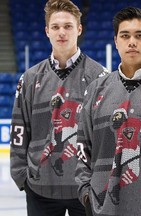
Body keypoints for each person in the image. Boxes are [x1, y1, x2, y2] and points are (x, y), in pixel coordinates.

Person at [10, 0, 109, 215]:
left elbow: (107, 135)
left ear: (79, 29)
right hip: (39, 189)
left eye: (68, 26)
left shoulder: (100, 78)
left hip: (86, 189)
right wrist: (22, 176)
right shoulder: (29, 78)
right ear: (47, 31)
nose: (61, 32)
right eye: (55, 27)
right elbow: (19, 129)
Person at [75, 7, 141, 216]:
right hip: (102, 207)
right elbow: (82, 146)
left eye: (139, 35)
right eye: (125, 36)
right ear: (116, 41)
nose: (132, 42)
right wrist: (86, 194)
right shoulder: (96, 90)